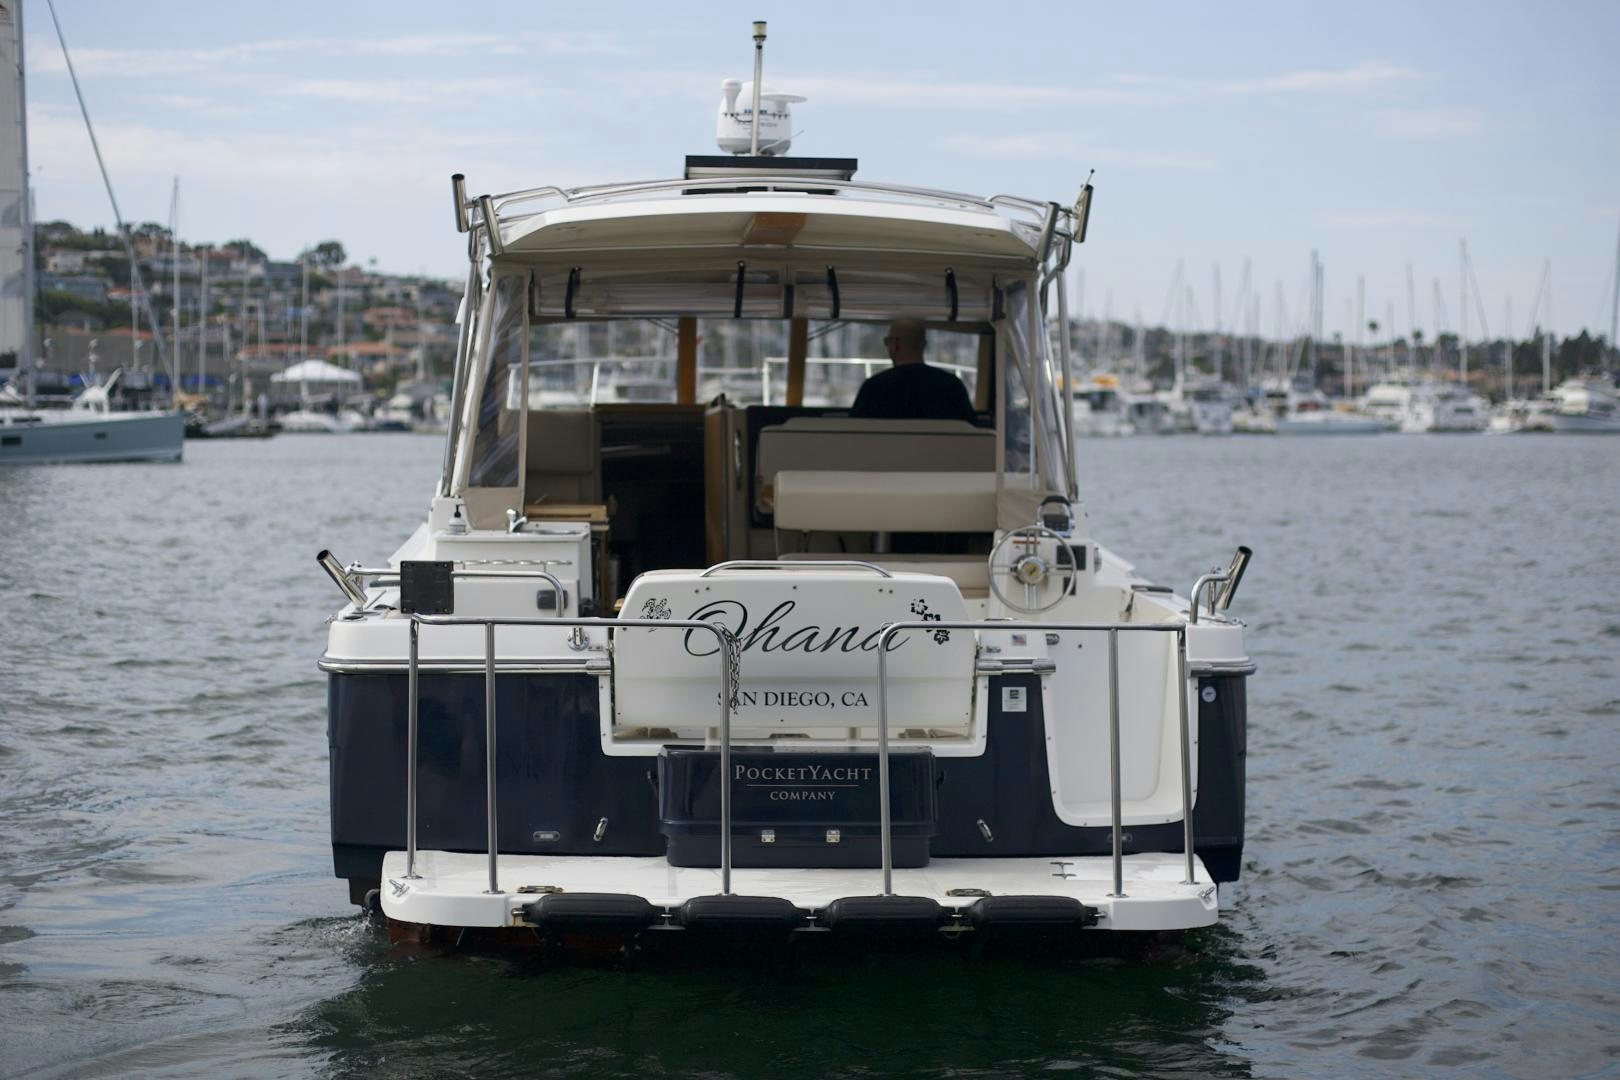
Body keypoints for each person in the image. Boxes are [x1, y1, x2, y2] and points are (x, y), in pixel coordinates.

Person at [849, 318, 978, 423]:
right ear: (924, 345)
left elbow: (854, 434)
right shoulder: (953, 386)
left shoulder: (873, 388)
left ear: (894, 345)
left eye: (887, 341)